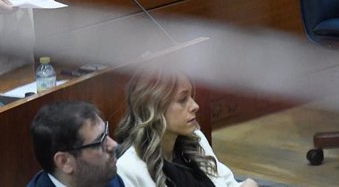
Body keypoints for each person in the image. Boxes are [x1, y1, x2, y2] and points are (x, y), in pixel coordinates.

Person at [115, 67, 259, 187]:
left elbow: (228, 183)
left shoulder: (196, 139)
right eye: (182, 100)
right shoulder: (128, 169)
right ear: (154, 108)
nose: (195, 106)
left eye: (192, 97)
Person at [28, 101, 124, 187]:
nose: (114, 144)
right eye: (99, 142)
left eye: (106, 133)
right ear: (64, 161)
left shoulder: (108, 179)